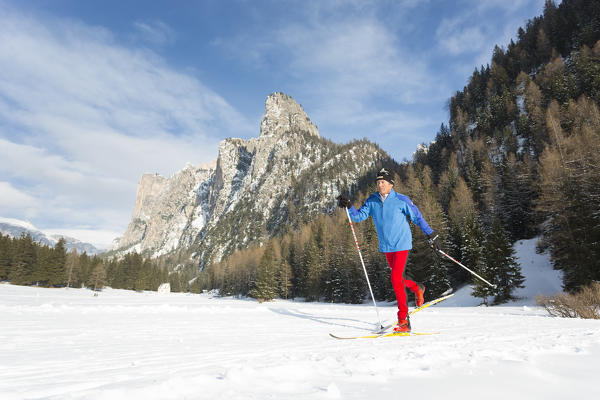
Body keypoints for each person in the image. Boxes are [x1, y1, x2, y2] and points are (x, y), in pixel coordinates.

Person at [337, 168, 440, 333]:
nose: (380, 185)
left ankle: (403, 320)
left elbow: (417, 217)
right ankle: (418, 288)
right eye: (378, 182)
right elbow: (358, 216)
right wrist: (349, 206)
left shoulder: (401, 200)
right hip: (387, 247)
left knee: (395, 278)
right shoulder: (372, 201)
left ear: (391, 184)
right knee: (400, 278)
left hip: (402, 244)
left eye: (383, 182)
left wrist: (431, 234)